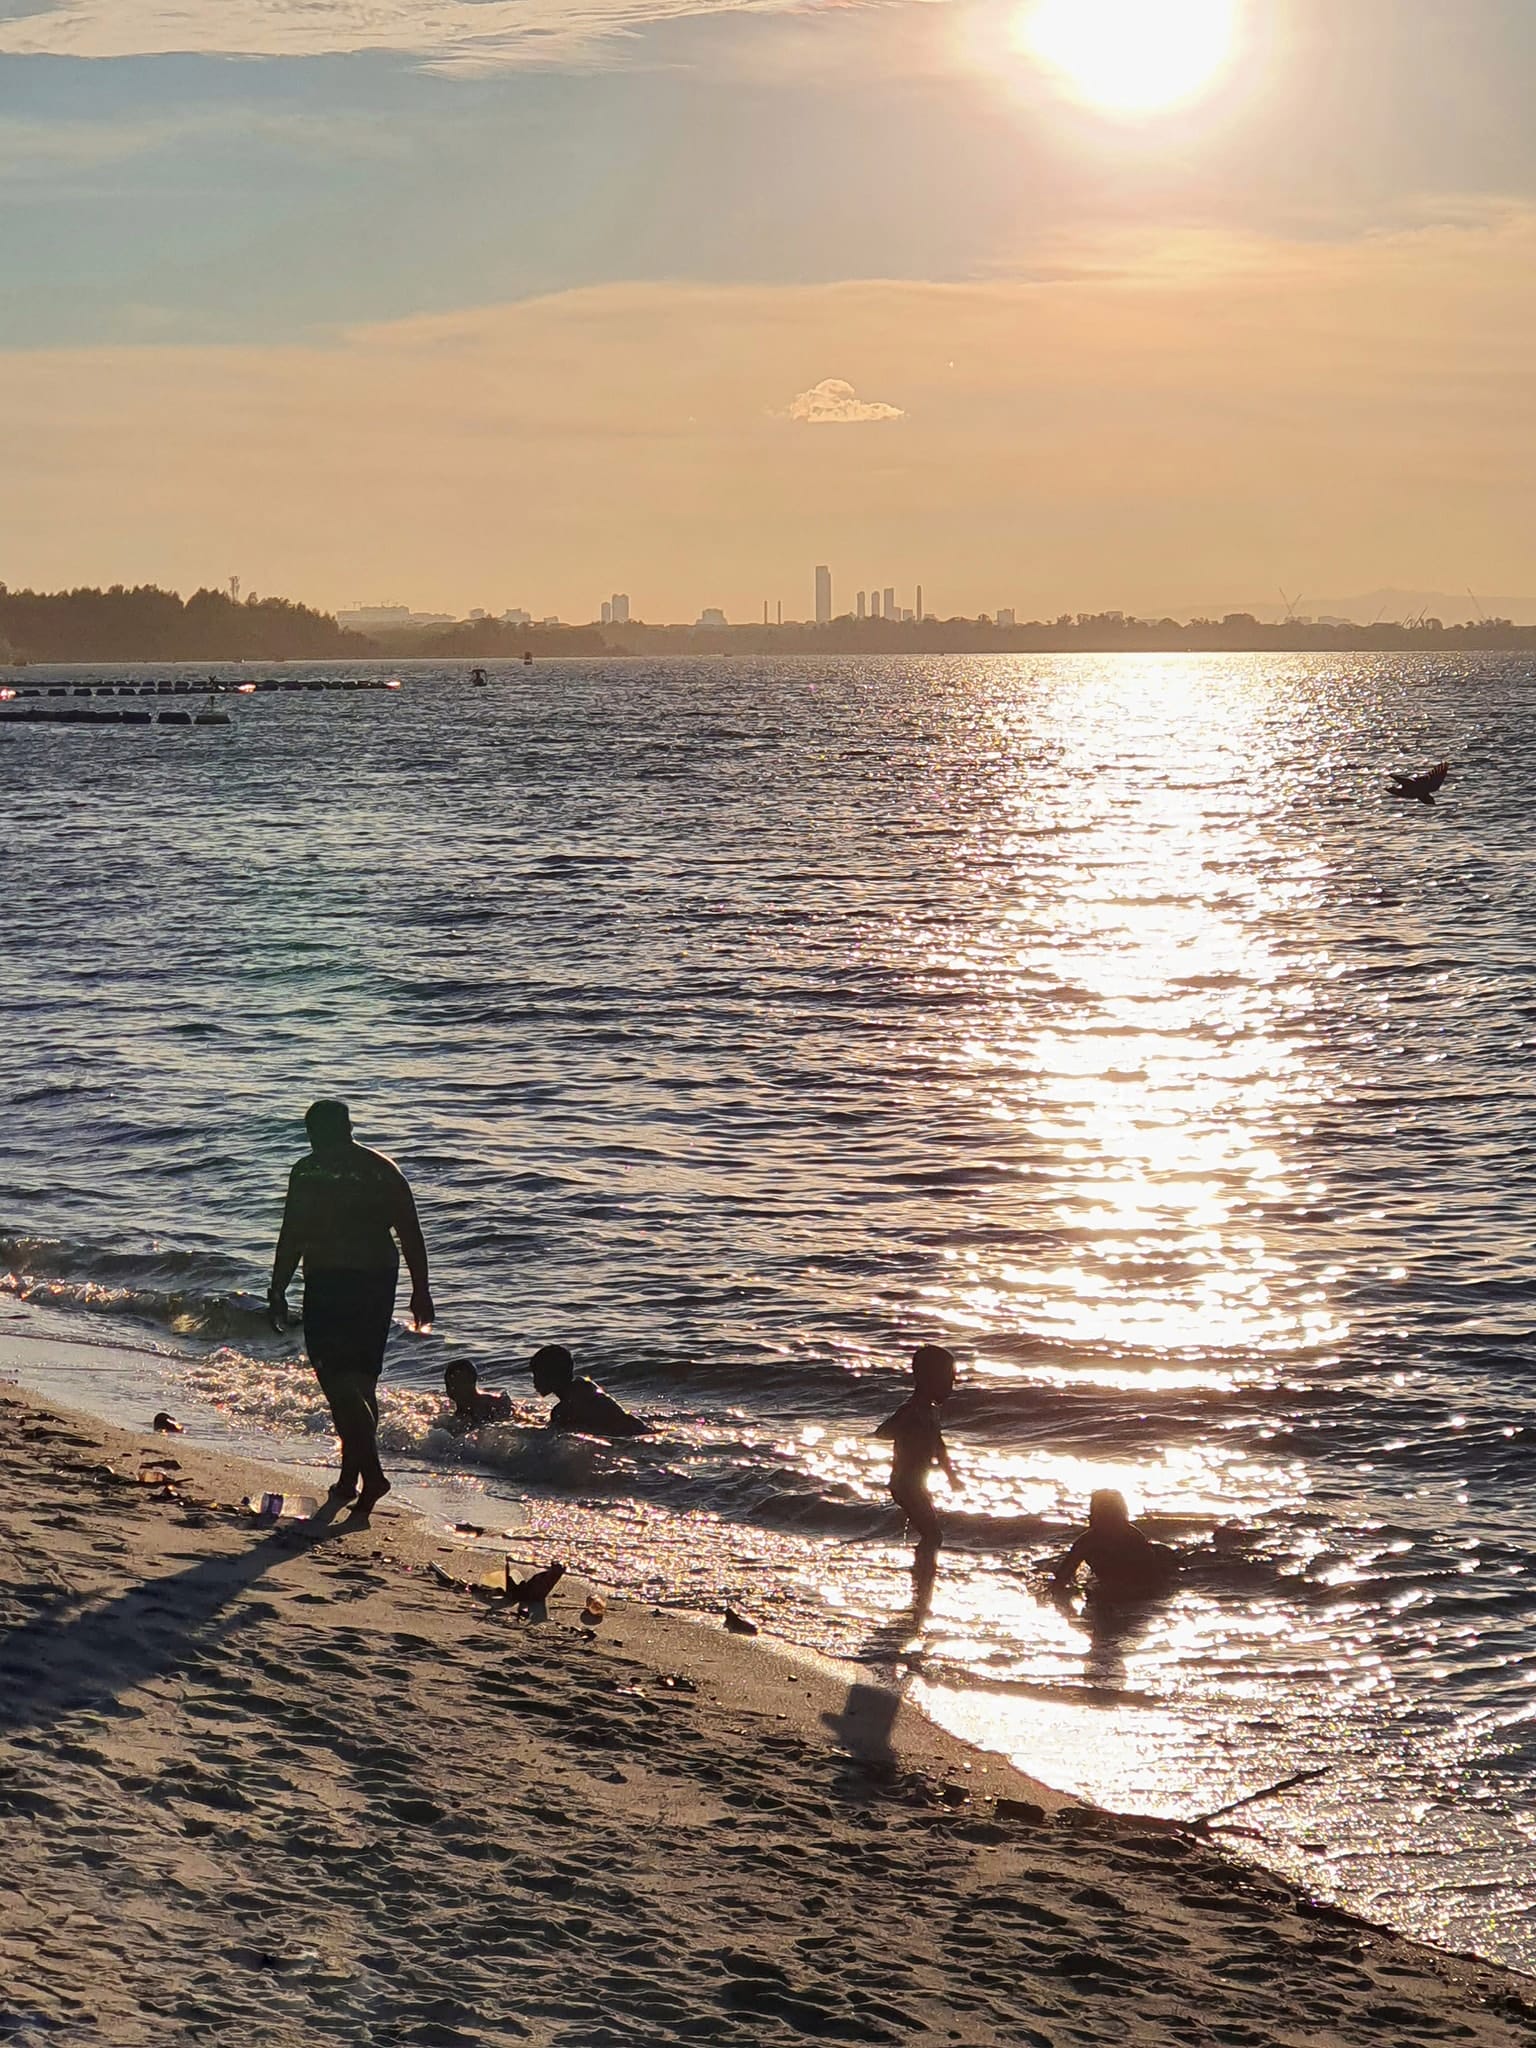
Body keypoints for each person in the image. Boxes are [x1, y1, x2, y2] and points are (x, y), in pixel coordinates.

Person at [268, 1100, 434, 1518]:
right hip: (369, 1282)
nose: (317, 1142)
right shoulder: (377, 1169)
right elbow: (409, 1235)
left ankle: (372, 1475)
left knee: (339, 1382)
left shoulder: (316, 1171)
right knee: (358, 1384)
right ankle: (349, 1477)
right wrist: (420, 1290)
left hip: (340, 1284)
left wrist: (278, 1288)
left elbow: (294, 1232)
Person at [874, 1344, 958, 1551]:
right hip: (905, 1485)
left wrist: (951, 1476)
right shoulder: (911, 1411)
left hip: (917, 1483)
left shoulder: (931, 1412)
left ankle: (922, 1570)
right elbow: (882, 1432)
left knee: (931, 1531)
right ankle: (922, 1575)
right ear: (928, 1381)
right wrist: (906, 1428)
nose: (951, 1386)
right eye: (948, 1379)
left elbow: (939, 1447)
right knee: (933, 1534)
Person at [1049, 1488, 1178, 1602]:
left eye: (1113, 1518)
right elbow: (1062, 1577)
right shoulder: (1087, 1542)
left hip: (1144, 1576)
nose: (1110, 1525)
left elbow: (1154, 1579)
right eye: (1104, 1517)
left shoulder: (1132, 1537)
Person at [527, 1344, 649, 1438]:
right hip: (637, 1428)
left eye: (537, 1375)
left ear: (551, 1376)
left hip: (631, 1434)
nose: (534, 1381)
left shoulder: (565, 1409)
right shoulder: (584, 1389)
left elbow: (550, 1437)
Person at [441, 1360, 512, 1435]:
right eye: (452, 1385)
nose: (454, 1389)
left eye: (462, 1384)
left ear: (472, 1383)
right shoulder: (453, 1420)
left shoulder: (494, 1404)